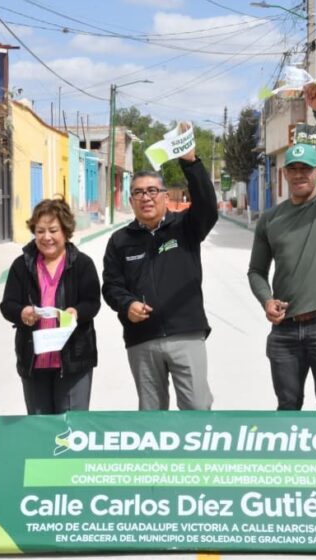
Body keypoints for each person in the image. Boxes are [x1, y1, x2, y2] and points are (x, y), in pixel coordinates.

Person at [247, 83, 316, 411]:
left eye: (305, 169)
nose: (299, 175)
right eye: (293, 169)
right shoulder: (271, 219)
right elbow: (256, 271)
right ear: (284, 173)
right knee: (287, 406)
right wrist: (266, 300)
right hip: (284, 331)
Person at [102, 127, 218, 411]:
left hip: (186, 334)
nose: (146, 197)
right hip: (142, 339)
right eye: (138, 192)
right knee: (151, 417)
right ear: (131, 201)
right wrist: (127, 304)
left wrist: (190, 162)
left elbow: (207, 206)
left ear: (166, 197)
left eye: (153, 191)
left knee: (197, 408)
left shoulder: (186, 226)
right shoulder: (119, 241)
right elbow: (111, 285)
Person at [0, 197, 100, 414]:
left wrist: (76, 312)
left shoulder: (82, 264)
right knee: (40, 425)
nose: (46, 237)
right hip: (34, 360)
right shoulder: (21, 265)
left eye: (53, 230)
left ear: (65, 231)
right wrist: (22, 312)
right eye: (40, 231)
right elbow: (7, 305)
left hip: (74, 359)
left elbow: (92, 302)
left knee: (71, 423)